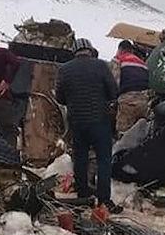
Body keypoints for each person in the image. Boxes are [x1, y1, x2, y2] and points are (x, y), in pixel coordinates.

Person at [55, 38, 121, 212]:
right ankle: (103, 200)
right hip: (99, 119)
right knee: (104, 160)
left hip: (77, 122)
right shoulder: (100, 65)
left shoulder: (65, 69)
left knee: (81, 159)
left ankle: (83, 194)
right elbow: (113, 91)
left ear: (74, 52)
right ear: (90, 50)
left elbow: (59, 97)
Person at [109, 40, 150, 136]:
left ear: (120, 49)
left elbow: (114, 83)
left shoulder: (118, 60)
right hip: (144, 102)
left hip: (127, 103)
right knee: (139, 135)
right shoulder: (142, 63)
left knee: (124, 135)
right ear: (131, 50)